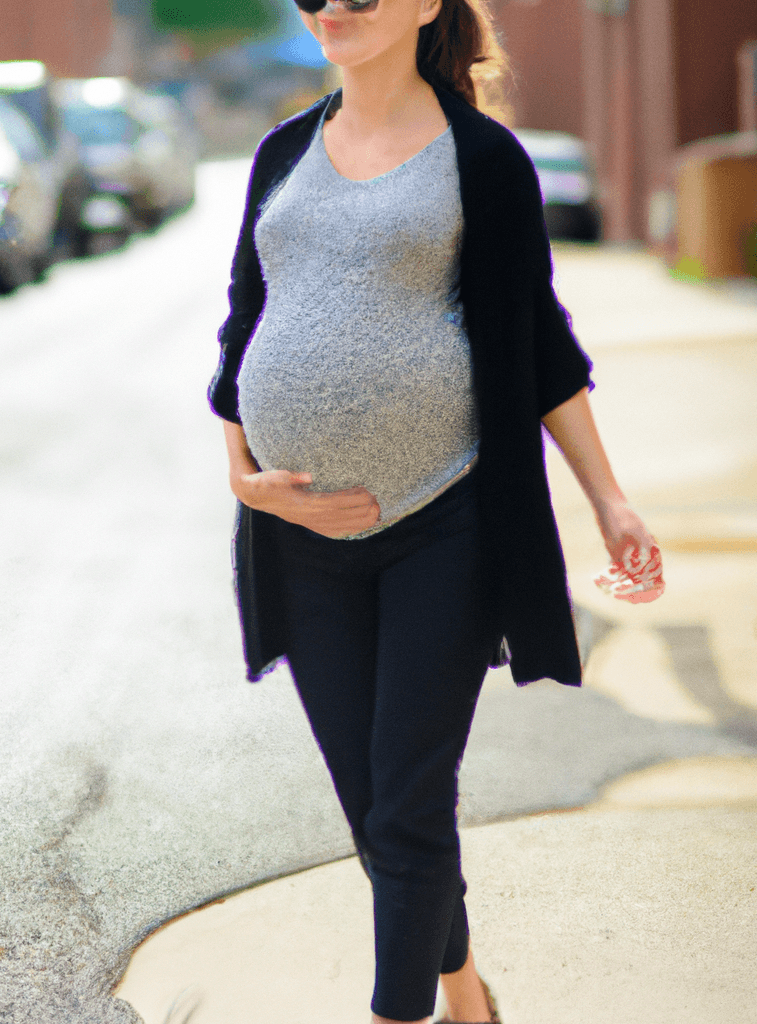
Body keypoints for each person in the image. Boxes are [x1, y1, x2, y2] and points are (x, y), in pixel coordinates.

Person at [208, 1, 663, 1022]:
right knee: (374, 809)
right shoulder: (283, 151)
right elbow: (243, 327)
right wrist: (242, 478)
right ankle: (462, 986)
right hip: (299, 539)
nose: (333, 7)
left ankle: (398, 1010)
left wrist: (609, 499)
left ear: (423, 5)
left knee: (408, 802)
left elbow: (538, 340)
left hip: (445, 522)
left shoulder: (484, 160)